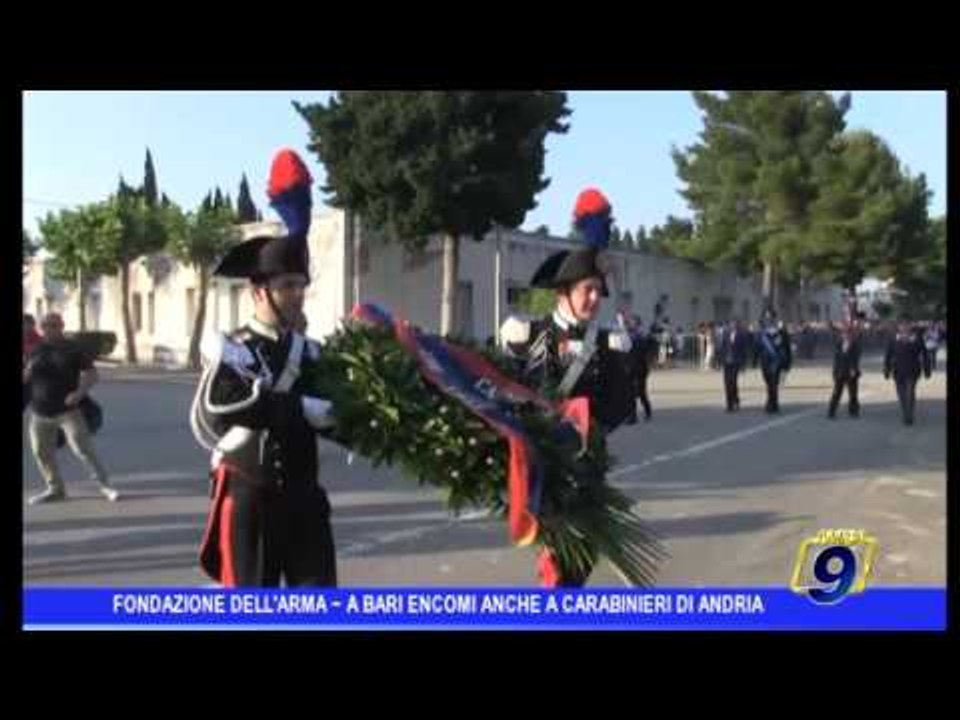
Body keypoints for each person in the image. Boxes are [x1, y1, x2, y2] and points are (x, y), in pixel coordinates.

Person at [190, 148, 338, 587]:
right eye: (287, 285)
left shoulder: (310, 351)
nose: (297, 294)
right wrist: (300, 410)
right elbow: (223, 409)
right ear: (259, 293)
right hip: (251, 503)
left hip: (305, 502)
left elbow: (333, 414)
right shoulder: (234, 347)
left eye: (301, 286)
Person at [500, 187, 633, 587]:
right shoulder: (526, 334)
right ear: (563, 293)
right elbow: (504, 393)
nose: (594, 299)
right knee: (559, 563)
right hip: (544, 465)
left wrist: (590, 428)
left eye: (597, 290)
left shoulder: (608, 342)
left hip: (588, 463)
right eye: (586, 290)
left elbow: (621, 403)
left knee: (584, 555)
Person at [24, 312, 117, 504]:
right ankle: (55, 489)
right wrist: (26, 374)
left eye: (53, 325)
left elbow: (92, 374)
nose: (49, 329)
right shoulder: (36, 349)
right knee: (41, 451)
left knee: (83, 449)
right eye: (45, 326)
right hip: (39, 411)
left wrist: (79, 393)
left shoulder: (72, 349)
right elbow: (28, 376)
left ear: (61, 326)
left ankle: (105, 486)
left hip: (68, 411)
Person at [884, 319, 931, 426]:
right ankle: (905, 411)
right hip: (898, 371)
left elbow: (925, 355)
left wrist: (927, 369)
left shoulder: (917, 339)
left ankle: (908, 416)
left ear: (910, 326)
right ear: (899, 327)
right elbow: (888, 355)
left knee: (910, 392)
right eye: (902, 325)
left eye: (907, 325)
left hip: (913, 370)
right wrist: (886, 370)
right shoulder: (893, 339)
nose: (904, 327)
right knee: (901, 394)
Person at [753, 309, 792, 413]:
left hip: (776, 361)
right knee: (768, 383)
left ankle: (772, 404)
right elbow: (757, 347)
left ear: (774, 318)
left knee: (773, 383)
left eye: (770, 317)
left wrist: (787, 365)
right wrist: (754, 361)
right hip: (765, 361)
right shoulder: (761, 333)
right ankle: (772, 401)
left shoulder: (781, 332)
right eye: (766, 318)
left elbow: (787, 348)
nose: (768, 320)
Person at [827, 321, 862, 419]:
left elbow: (856, 358)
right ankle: (831, 411)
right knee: (836, 393)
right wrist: (834, 372)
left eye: (848, 334)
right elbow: (836, 360)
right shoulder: (838, 344)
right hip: (840, 372)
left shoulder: (855, 345)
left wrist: (854, 369)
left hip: (851, 372)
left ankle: (853, 411)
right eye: (844, 333)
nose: (846, 335)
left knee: (853, 393)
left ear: (851, 335)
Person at [717, 318, 749, 412]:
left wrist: (743, 364)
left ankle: (735, 400)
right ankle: (729, 404)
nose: (732, 326)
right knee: (727, 383)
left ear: (737, 325)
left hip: (736, 362)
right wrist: (719, 361)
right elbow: (722, 347)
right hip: (726, 362)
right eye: (731, 324)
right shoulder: (726, 334)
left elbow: (744, 350)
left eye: (734, 324)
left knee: (733, 382)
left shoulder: (741, 335)